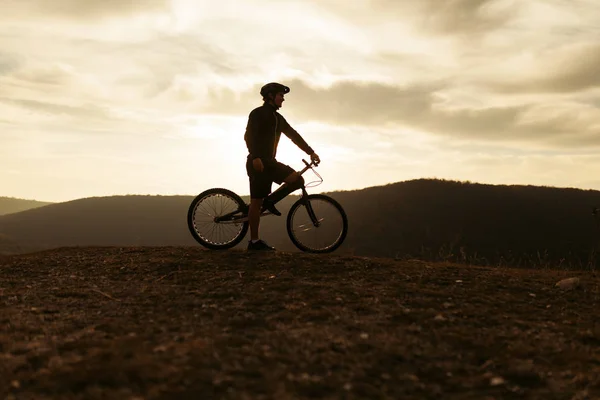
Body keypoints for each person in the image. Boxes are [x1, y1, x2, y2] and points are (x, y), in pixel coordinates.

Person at [244, 82, 320, 251]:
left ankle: (270, 201)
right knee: (255, 203)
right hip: (257, 163)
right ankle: (254, 242)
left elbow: (293, 135)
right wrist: (255, 156)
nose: (283, 99)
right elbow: (249, 136)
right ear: (271, 96)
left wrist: (311, 152)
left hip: (270, 163)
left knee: (297, 179)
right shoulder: (258, 113)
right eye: (280, 95)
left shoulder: (278, 118)